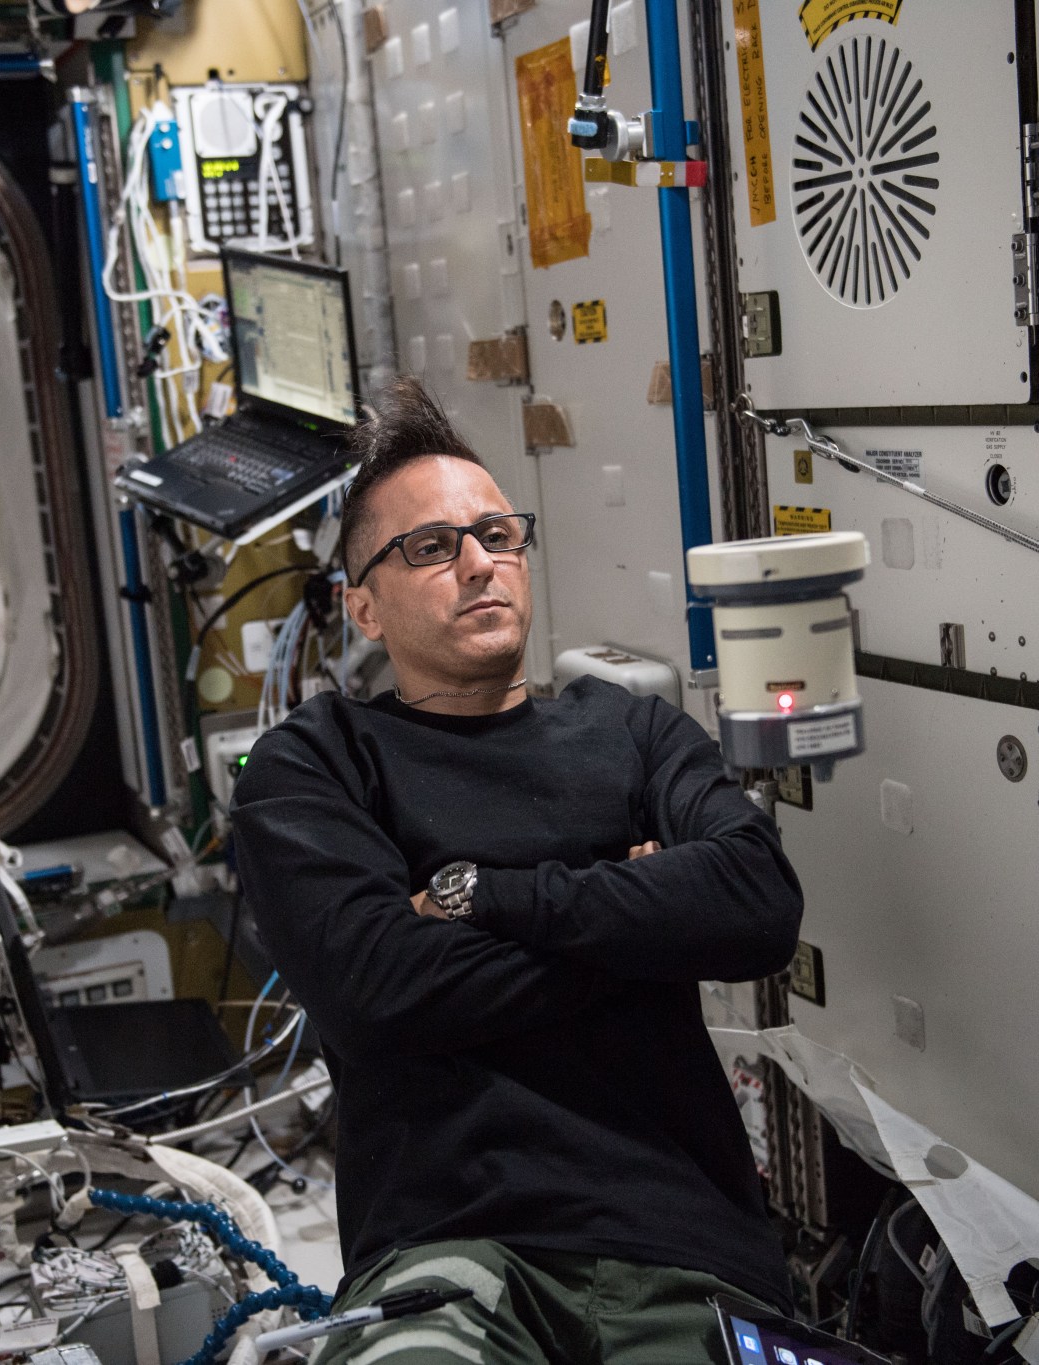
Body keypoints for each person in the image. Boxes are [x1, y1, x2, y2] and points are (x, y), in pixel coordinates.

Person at [230, 376, 804, 1363]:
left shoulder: (630, 731)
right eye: (429, 547)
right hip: (444, 1252)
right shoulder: (315, 763)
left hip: (676, 1242)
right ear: (360, 607)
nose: (477, 563)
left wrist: (483, 898)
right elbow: (379, 989)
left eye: (497, 535)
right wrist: (645, 926)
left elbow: (755, 907)